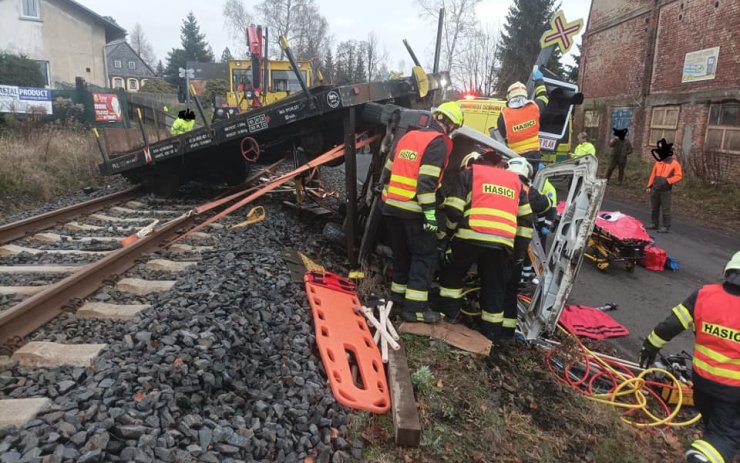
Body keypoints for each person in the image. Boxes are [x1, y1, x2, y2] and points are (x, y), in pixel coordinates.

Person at [638, 251, 740, 463]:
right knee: (726, 436)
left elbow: (671, 325)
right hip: (734, 392)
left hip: (702, 385)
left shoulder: (704, 295)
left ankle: (710, 450)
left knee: (715, 430)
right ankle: (700, 458)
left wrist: (650, 346)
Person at [438, 149, 534, 343]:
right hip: (502, 244)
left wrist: (449, 237)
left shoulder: (469, 174)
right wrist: (519, 253)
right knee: (495, 287)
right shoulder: (515, 182)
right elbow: (525, 222)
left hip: (469, 235)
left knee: (452, 274)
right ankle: (491, 334)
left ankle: (449, 316)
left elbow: (454, 210)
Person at [381, 101, 463, 323]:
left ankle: (397, 298)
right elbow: (426, 183)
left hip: (391, 207)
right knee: (425, 256)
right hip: (414, 209)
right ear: (451, 125)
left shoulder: (408, 137)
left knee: (402, 255)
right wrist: (430, 217)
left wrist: (384, 190)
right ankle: (415, 310)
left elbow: (387, 169)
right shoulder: (439, 142)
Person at [499, 157, 550, 341]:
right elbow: (545, 204)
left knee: (493, 287)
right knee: (510, 291)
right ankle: (506, 334)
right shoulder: (529, 191)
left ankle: (490, 328)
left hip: (497, 243)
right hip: (517, 246)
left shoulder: (498, 183)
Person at [496, 69, 550, 166]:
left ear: (509, 96)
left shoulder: (504, 114)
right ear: (525, 94)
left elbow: (502, 135)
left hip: (514, 158)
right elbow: (543, 96)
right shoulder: (534, 107)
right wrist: (539, 80)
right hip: (534, 157)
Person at [646, 138, 683, 233]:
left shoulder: (675, 164)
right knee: (654, 207)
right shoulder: (658, 162)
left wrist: (668, 181)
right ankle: (654, 223)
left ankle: (666, 226)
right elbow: (652, 175)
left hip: (665, 190)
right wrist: (649, 186)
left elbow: (679, 176)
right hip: (655, 188)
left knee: (666, 208)